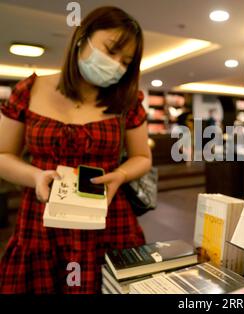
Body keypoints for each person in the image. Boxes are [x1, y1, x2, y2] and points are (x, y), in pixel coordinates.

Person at [0, 7, 152, 293]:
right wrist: (35, 176)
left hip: (107, 220)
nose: (117, 65)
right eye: (110, 51)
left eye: (126, 61)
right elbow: (2, 155)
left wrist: (120, 175)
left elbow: (142, 157)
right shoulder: (29, 90)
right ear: (82, 37)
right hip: (42, 220)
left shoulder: (128, 101)